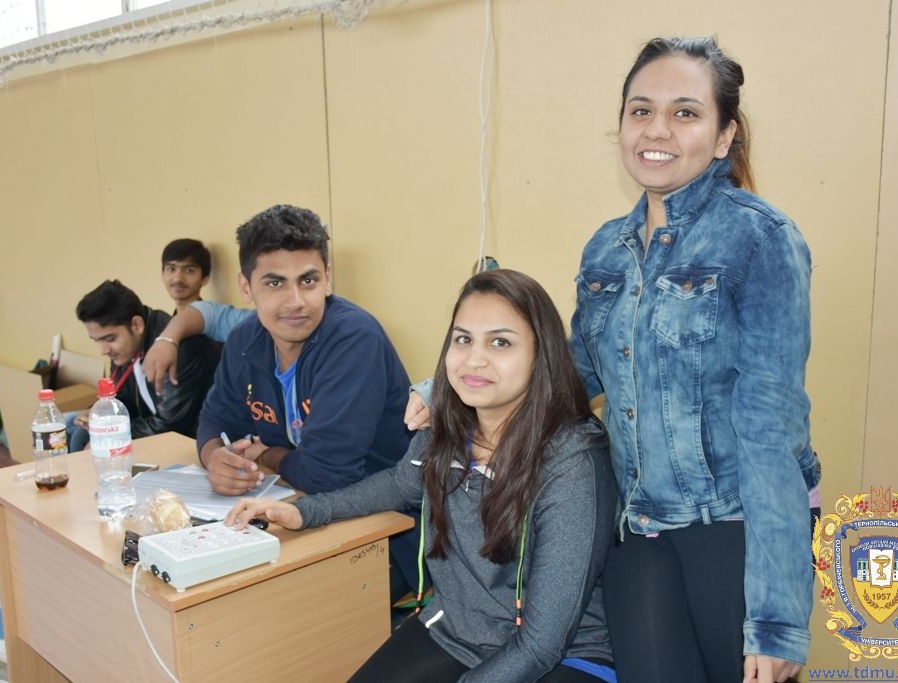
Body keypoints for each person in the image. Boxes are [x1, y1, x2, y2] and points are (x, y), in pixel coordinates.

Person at [569, 37, 820, 683]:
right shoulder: (606, 249)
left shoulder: (761, 239)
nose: (657, 129)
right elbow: (569, 378)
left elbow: (772, 434)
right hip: (638, 533)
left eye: (685, 112)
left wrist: (777, 616)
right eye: (641, 110)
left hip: (733, 530)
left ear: (723, 135)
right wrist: (450, 385)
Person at [227, 269, 617, 683]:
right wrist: (305, 512)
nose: (475, 359)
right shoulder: (447, 429)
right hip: (459, 633)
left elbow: (543, 642)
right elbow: (398, 484)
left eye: (500, 342)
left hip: (563, 656)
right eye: (463, 339)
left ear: (542, 355)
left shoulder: (573, 460)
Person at [194, 204, 420, 599]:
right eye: (275, 283)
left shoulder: (354, 340)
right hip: (297, 507)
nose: (296, 301)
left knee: (268, 606)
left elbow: (328, 476)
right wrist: (214, 457)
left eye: (308, 280)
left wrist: (266, 455)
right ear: (246, 287)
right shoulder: (245, 340)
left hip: (388, 530)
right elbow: (215, 419)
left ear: (328, 279)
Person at [70, 280, 217, 450]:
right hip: (152, 424)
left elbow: (170, 425)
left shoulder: (177, 350)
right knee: (78, 429)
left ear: (137, 325)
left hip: (189, 439)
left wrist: (112, 437)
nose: (103, 350)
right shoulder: (125, 348)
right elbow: (124, 397)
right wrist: (101, 413)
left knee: (86, 439)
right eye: (97, 340)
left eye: (109, 339)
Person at [161, 238, 211, 314]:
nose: (177, 278)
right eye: (171, 269)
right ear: (162, 274)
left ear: (205, 279)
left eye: (189, 270)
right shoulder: (168, 320)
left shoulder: (215, 320)